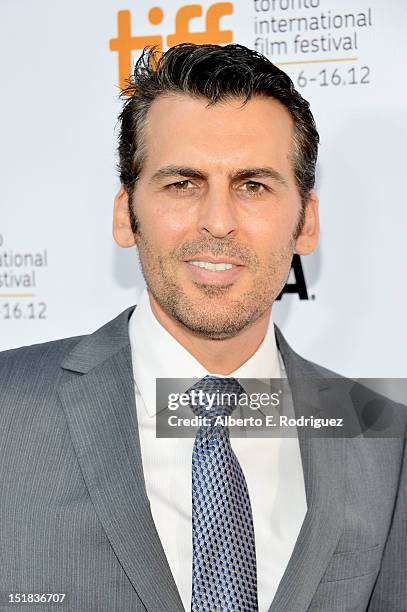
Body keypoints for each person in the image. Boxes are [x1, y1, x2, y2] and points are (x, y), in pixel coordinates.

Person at [0, 43, 405, 612]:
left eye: (254, 186)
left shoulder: (382, 433)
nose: (218, 220)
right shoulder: (7, 408)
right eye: (182, 184)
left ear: (306, 222)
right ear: (126, 214)